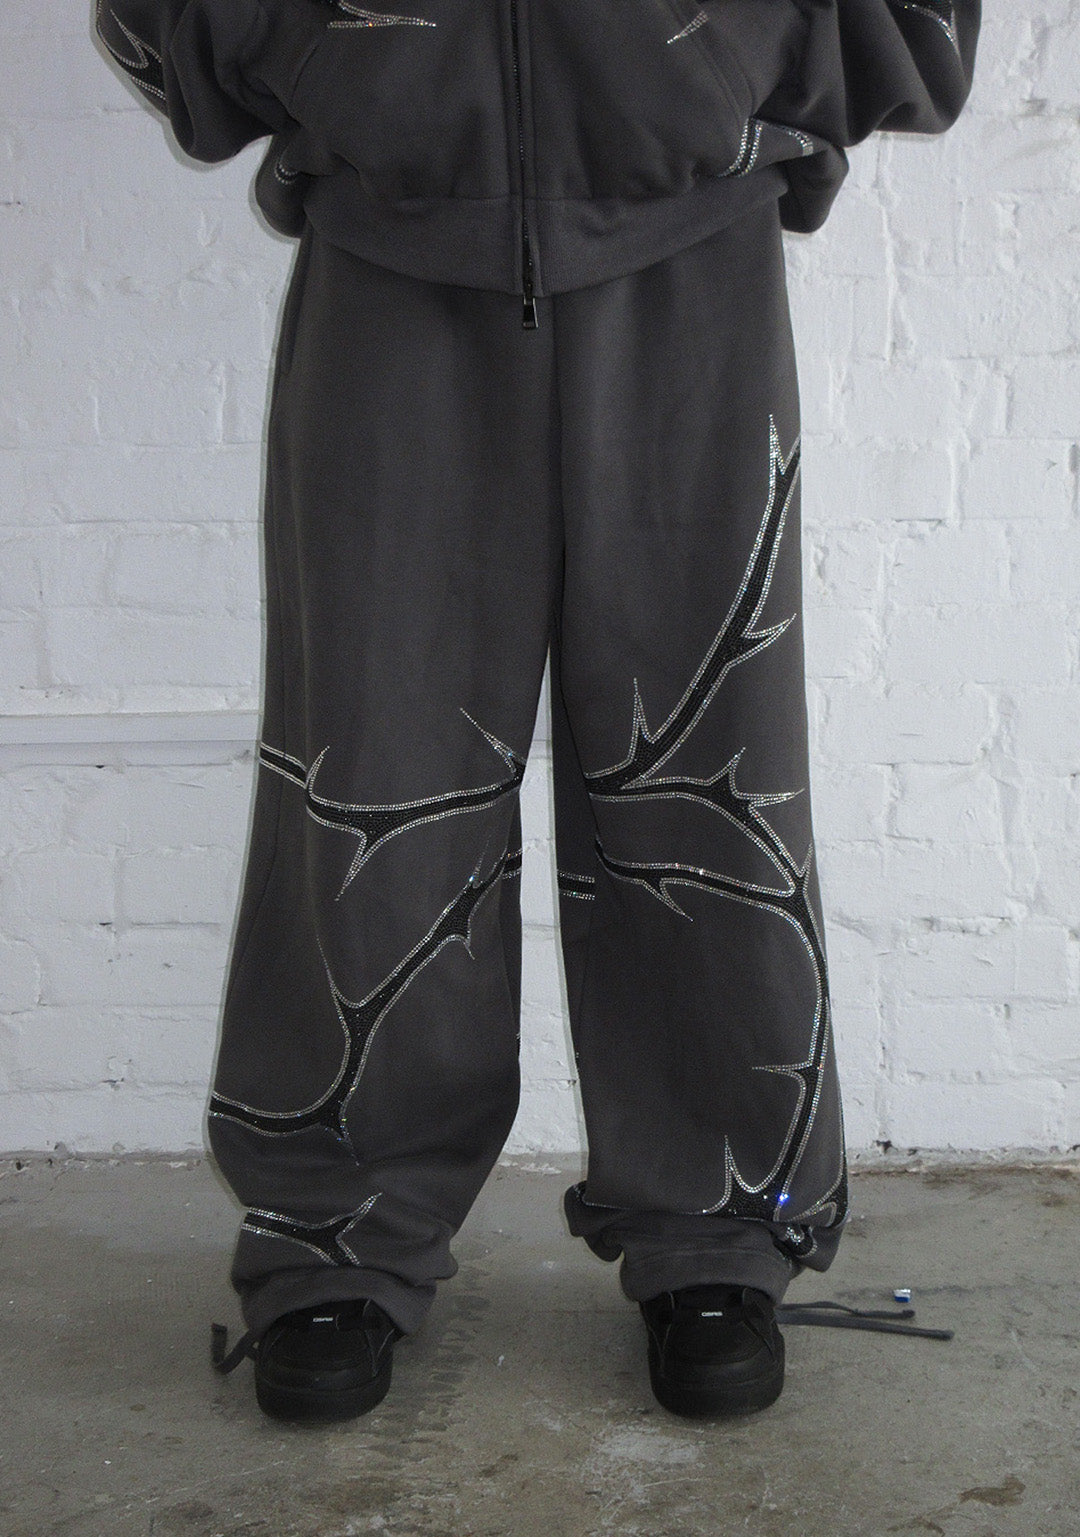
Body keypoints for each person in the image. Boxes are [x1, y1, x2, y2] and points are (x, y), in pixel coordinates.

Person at [94, 0, 981, 1423]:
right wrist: (329, 59)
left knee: (708, 753)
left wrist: (734, 53)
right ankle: (338, 1230)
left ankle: (719, 1225)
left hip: (692, 256)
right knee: (371, 761)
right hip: (388, 255)